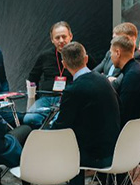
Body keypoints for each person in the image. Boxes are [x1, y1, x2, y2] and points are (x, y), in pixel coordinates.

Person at [51, 42, 120, 185]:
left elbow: (61, 127)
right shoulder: (104, 80)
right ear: (86, 59)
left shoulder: (73, 90)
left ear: (64, 64)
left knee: (62, 146)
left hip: (94, 156)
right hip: (115, 150)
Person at [23, 21, 75, 128]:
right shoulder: (45, 56)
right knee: (29, 119)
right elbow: (32, 79)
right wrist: (32, 99)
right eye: (57, 38)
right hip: (47, 99)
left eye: (64, 37)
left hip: (68, 99)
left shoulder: (78, 54)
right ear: (52, 40)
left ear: (70, 36)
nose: (61, 40)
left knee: (58, 122)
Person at [110, 35, 140, 142]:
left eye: (111, 53)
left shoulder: (133, 76)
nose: (110, 57)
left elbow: (123, 113)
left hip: (138, 140)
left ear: (118, 53)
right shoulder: (136, 71)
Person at [94, 22, 140, 88]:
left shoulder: (139, 58)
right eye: (113, 38)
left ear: (131, 39)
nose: (113, 42)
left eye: (117, 39)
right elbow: (93, 74)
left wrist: (102, 77)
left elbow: (118, 84)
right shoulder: (110, 53)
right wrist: (107, 77)